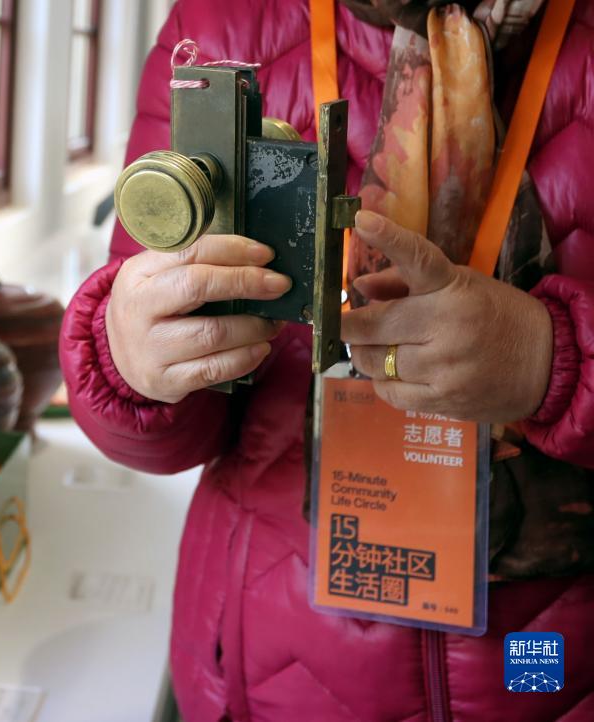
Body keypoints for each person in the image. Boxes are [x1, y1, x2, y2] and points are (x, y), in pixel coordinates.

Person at [59, 1, 594, 720]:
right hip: (273, 651)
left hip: (551, 655)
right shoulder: (222, 23)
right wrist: (130, 358)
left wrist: (552, 361)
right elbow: (172, 424)